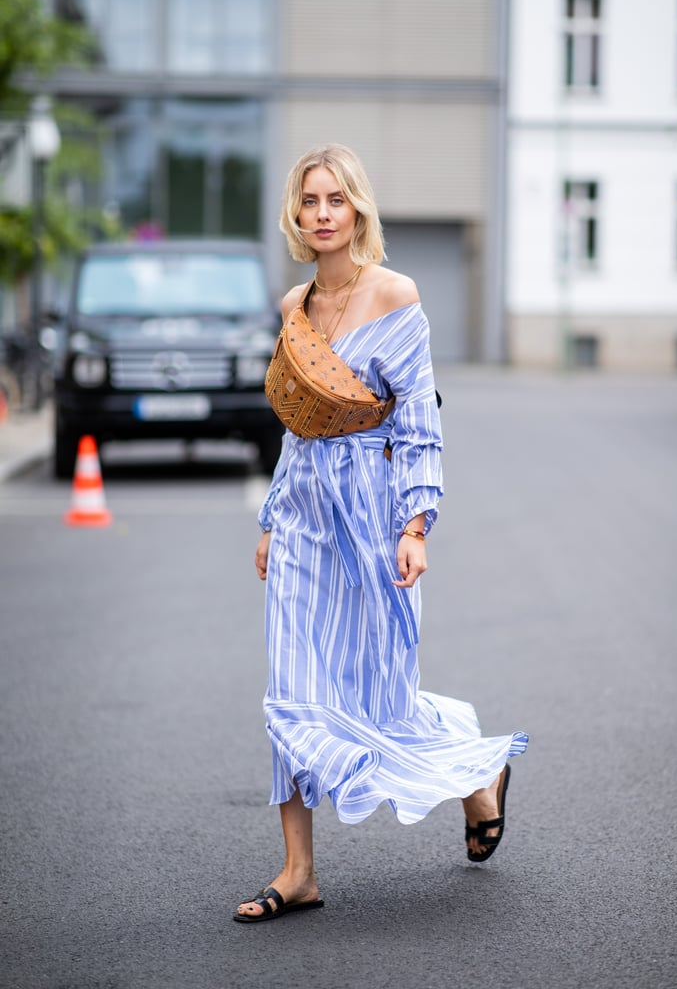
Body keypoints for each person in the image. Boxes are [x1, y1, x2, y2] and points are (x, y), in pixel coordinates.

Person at [234, 144, 528, 923]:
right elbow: (298, 430)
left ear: (357, 208)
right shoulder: (296, 304)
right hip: (304, 516)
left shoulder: (395, 294)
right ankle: (299, 871)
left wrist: (416, 523)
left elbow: (421, 421)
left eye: (336, 200)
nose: (322, 214)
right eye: (309, 202)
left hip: (371, 511)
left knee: (380, 697)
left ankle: (478, 778)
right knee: (290, 691)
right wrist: (271, 519)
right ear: (295, 215)